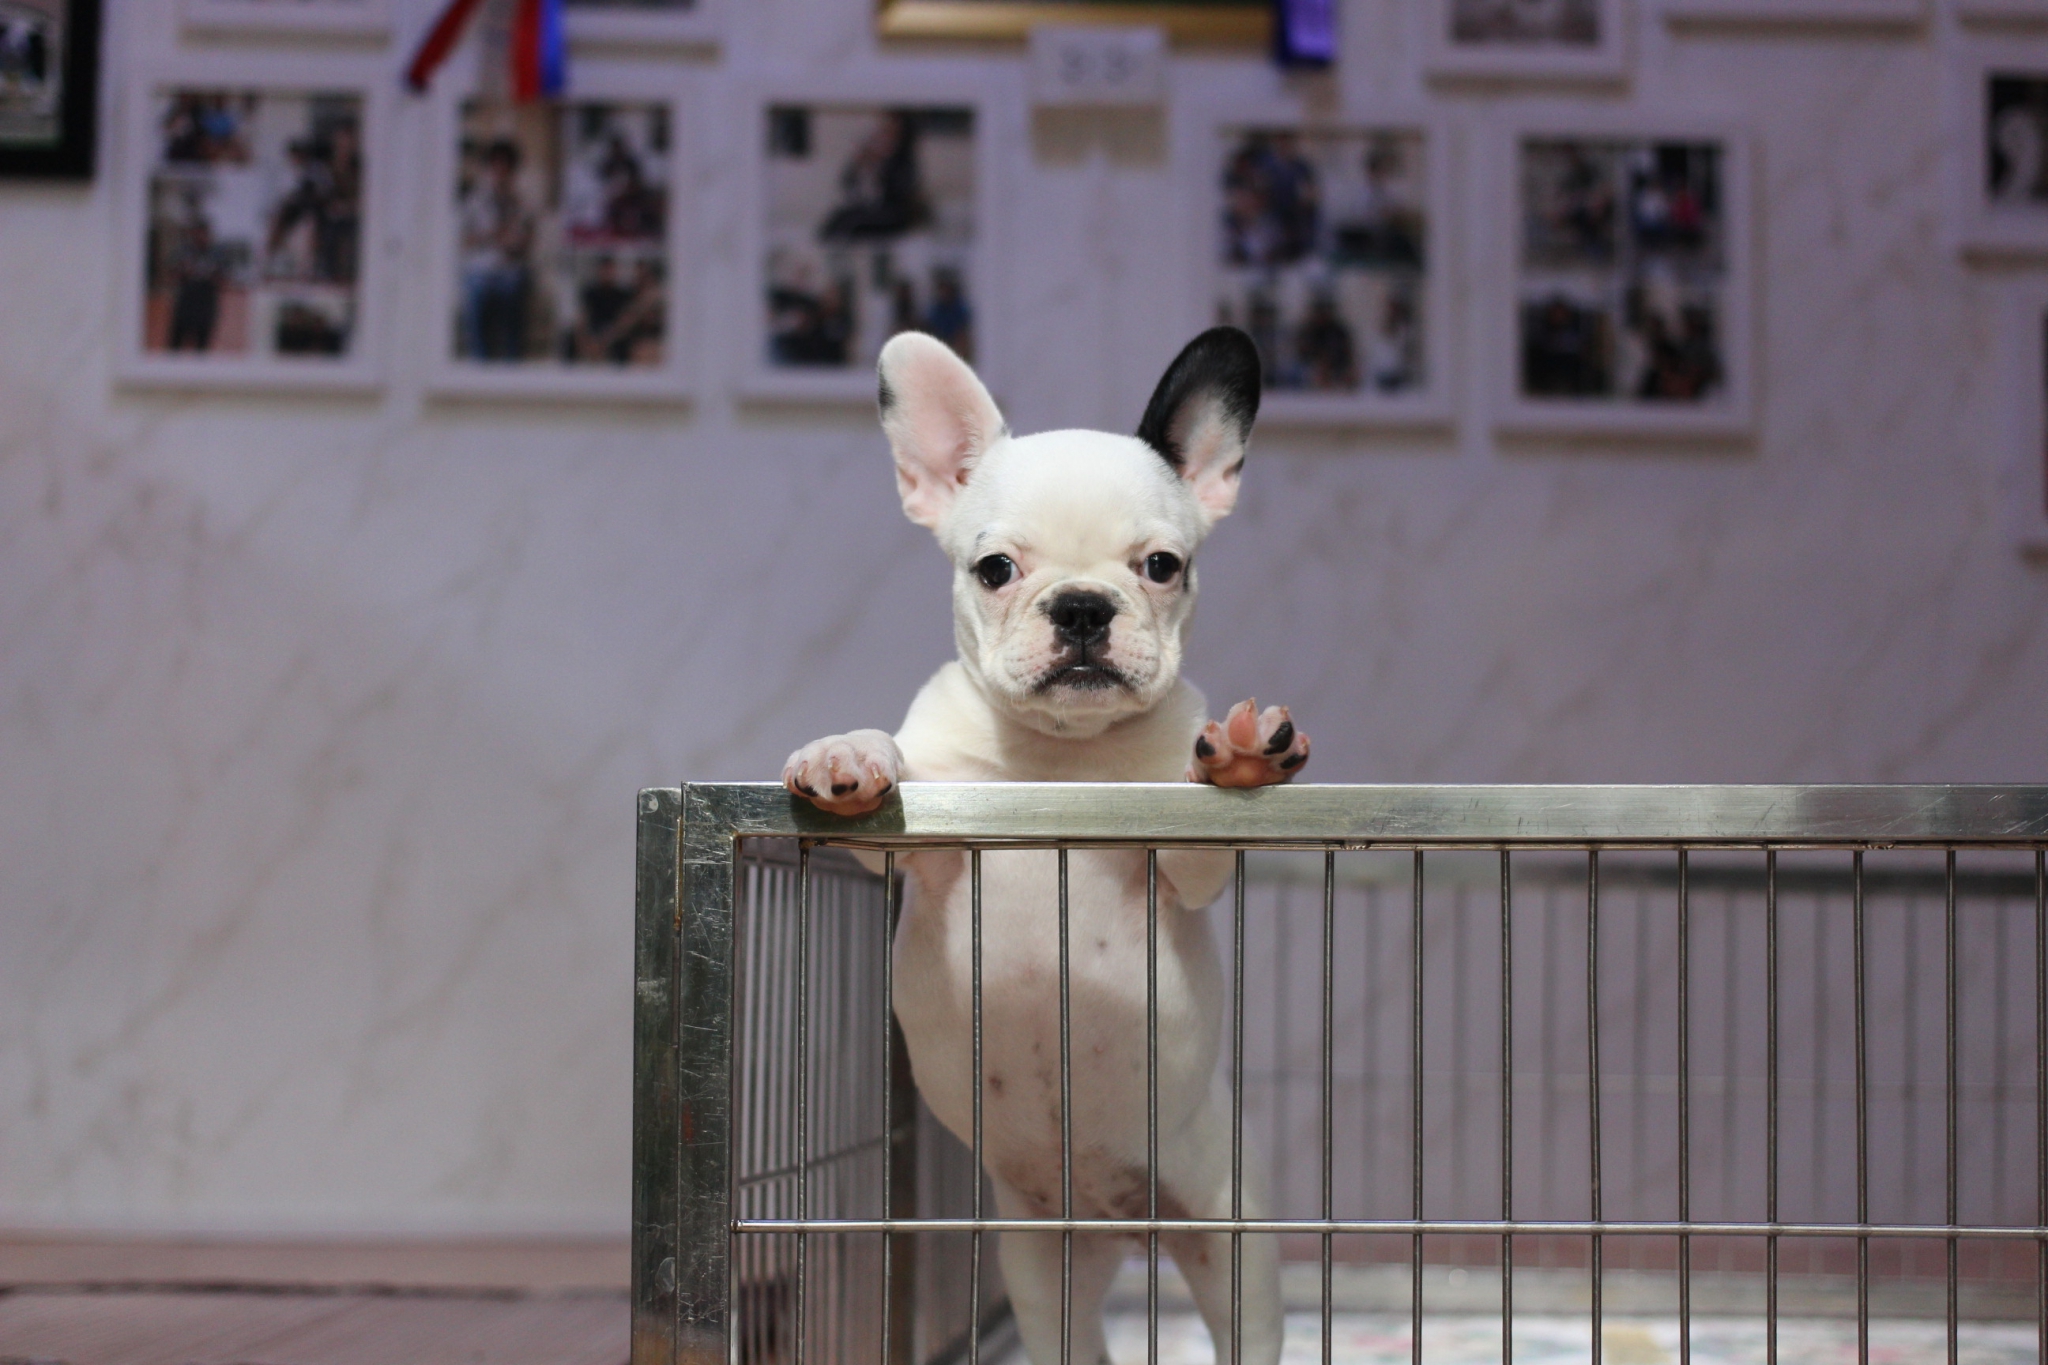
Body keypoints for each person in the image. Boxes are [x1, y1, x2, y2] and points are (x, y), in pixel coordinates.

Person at [458, 139, 536, 360]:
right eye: (496, 166)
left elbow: (528, 242)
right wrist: (492, 235)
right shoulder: (474, 201)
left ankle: (512, 362)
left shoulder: (523, 203)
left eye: (506, 167)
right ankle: (479, 360)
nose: (501, 172)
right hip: (481, 269)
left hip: (510, 269)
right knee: (477, 290)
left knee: (514, 288)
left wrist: (516, 243)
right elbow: (465, 240)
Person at [820, 111, 928, 242]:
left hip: (892, 214)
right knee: (840, 219)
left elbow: (897, 194)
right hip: (872, 209)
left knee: (850, 221)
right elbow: (850, 187)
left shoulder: (902, 163)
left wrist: (881, 165)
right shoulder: (872, 158)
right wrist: (863, 165)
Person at [167, 219, 227, 352]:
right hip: (185, 306)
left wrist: (211, 276)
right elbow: (170, 276)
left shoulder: (217, 254)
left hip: (205, 307)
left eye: (203, 233)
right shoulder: (183, 252)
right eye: (197, 233)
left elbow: (224, 282)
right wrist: (185, 272)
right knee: (174, 348)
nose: (200, 237)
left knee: (202, 350)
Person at [922, 267, 972, 361]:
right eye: (941, 289)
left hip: (954, 344)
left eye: (946, 289)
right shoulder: (935, 310)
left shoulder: (960, 310)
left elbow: (962, 333)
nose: (943, 293)